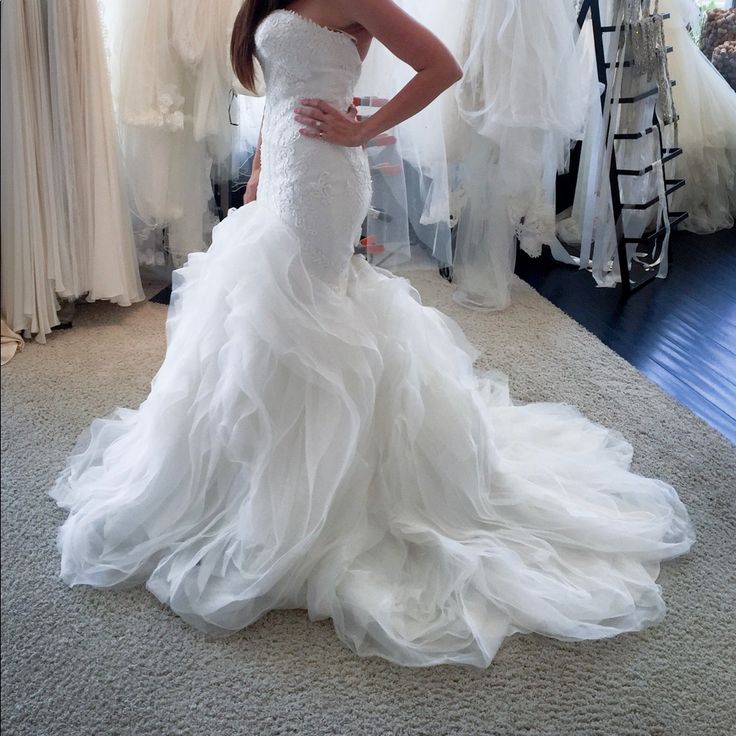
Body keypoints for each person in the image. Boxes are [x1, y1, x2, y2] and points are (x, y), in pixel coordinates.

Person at [50, 0, 696, 669]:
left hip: (325, 177)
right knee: (272, 315)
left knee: (308, 314)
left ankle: (314, 496)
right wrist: (261, 173)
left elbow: (441, 66)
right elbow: (282, 92)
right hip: (285, 171)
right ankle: (260, 476)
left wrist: (364, 130)